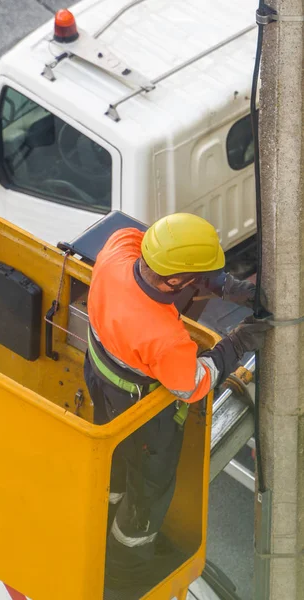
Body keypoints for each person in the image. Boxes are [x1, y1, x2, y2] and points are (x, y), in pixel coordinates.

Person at [83, 213, 270, 591]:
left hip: (100, 376)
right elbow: (193, 384)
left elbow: (150, 247)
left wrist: (222, 285)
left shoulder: (119, 249)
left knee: (114, 459)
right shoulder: (165, 339)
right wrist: (237, 342)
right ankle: (125, 564)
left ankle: (99, 516)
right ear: (177, 282)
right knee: (148, 490)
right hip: (138, 410)